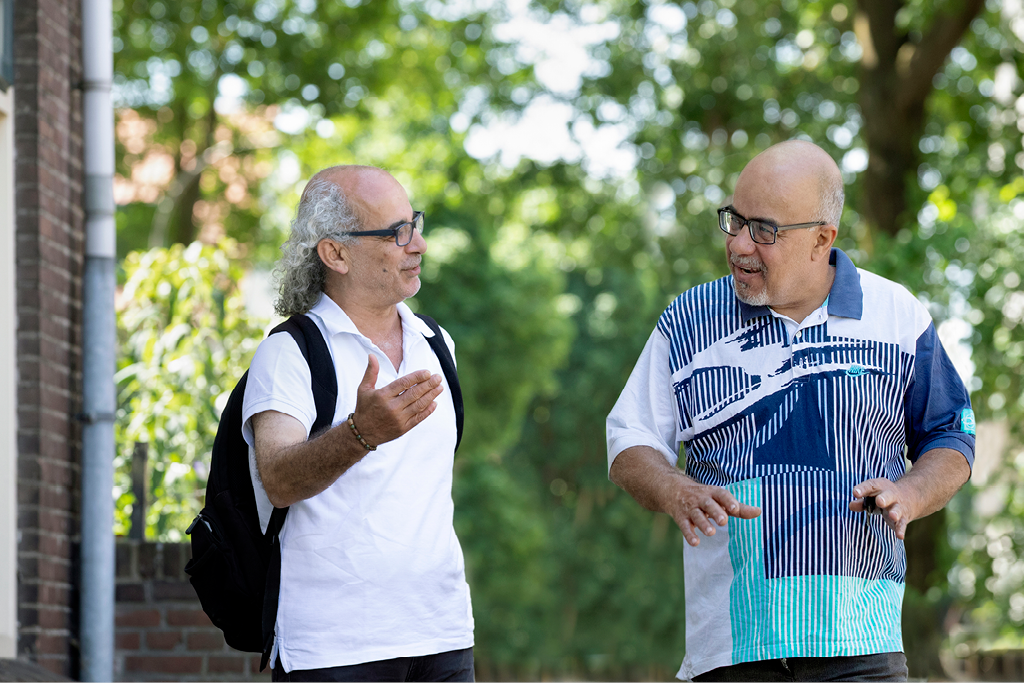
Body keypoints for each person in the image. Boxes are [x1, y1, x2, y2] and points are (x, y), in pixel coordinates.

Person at [606, 140, 975, 682]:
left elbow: (951, 435)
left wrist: (913, 493)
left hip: (862, 642)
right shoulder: (688, 320)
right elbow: (628, 439)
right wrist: (672, 488)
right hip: (732, 649)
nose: (738, 245)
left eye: (764, 230)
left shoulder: (897, 316)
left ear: (822, 239)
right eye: (734, 221)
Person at [242, 165, 474, 682]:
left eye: (413, 222)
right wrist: (359, 434)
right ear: (336, 253)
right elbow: (277, 481)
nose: (420, 245)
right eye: (397, 233)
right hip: (334, 649)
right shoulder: (289, 353)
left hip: (443, 634)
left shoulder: (436, 345)